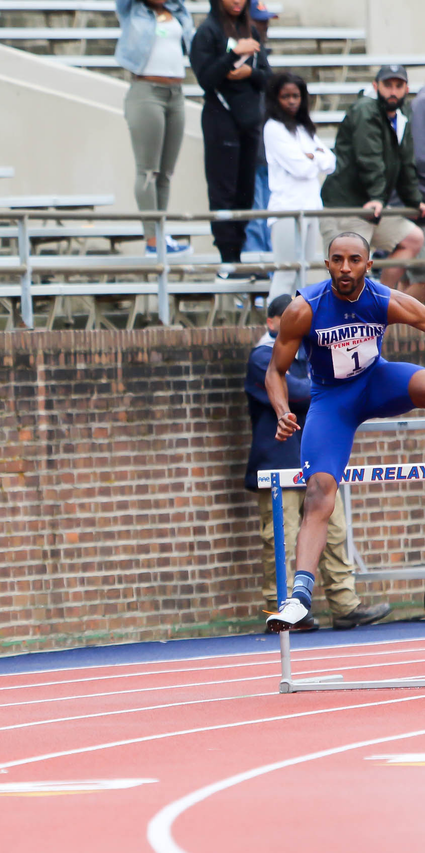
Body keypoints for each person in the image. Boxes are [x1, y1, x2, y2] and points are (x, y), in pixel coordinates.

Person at [264, 232, 410, 632]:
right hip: (333, 403)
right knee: (319, 489)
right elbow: (275, 372)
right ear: (327, 263)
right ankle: (299, 599)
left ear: (368, 264)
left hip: (377, 382)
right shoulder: (304, 308)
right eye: (338, 260)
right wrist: (281, 411)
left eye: (354, 260)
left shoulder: (383, 300)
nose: (346, 268)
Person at [244, 294, 388, 630]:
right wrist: (333, 386)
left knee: (335, 533)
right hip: (278, 464)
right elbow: (295, 390)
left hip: (318, 462)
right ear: (273, 323)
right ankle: (282, 611)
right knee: (280, 540)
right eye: (292, 319)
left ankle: (345, 605)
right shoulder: (262, 357)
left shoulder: (312, 351)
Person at [320, 65, 425, 301]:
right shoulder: (366, 110)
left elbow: (406, 163)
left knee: (414, 238)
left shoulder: (402, 116)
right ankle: (358, 310)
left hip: (371, 206)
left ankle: (381, 300)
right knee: (349, 272)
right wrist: (378, 196)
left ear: (407, 89)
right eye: (388, 85)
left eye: (398, 86)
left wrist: (415, 202)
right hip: (348, 205)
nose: (393, 92)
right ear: (376, 86)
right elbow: (369, 158)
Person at [189, 0, 271, 280]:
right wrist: (234, 54)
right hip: (220, 119)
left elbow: (268, 79)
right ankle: (228, 259)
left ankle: (240, 256)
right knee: (223, 190)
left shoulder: (251, 31)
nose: (237, 1)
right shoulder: (208, 32)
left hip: (250, 123)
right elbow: (205, 78)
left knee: (245, 191)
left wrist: (251, 72)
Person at [114, 0, 195, 256]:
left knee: (166, 172)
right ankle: (152, 240)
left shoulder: (177, 11)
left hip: (176, 93)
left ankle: (161, 234)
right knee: (148, 170)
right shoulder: (132, 10)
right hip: (147, 91)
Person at [263, 71, 334, 302]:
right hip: (287, 209)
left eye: (296, 95)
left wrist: (309, 156)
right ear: (276, 98)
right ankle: (274, 330)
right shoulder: (273, 128)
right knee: (286, 273)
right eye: (286, 96)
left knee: (303, 275)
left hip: (311, 207)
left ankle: (296, 330)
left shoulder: (304, 129)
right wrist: (316, 158)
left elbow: (331, 163)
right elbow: (301, 169)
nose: (292, 101)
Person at [242, 0, 279, 256]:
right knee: (256, 215)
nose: (263, 26)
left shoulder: (261, 56)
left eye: (265, 20)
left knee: (269, 215)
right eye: (258, 19)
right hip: (251, 149)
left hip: (269, 152)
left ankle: (268, 270)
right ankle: (258, 268)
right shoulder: (242, 53)